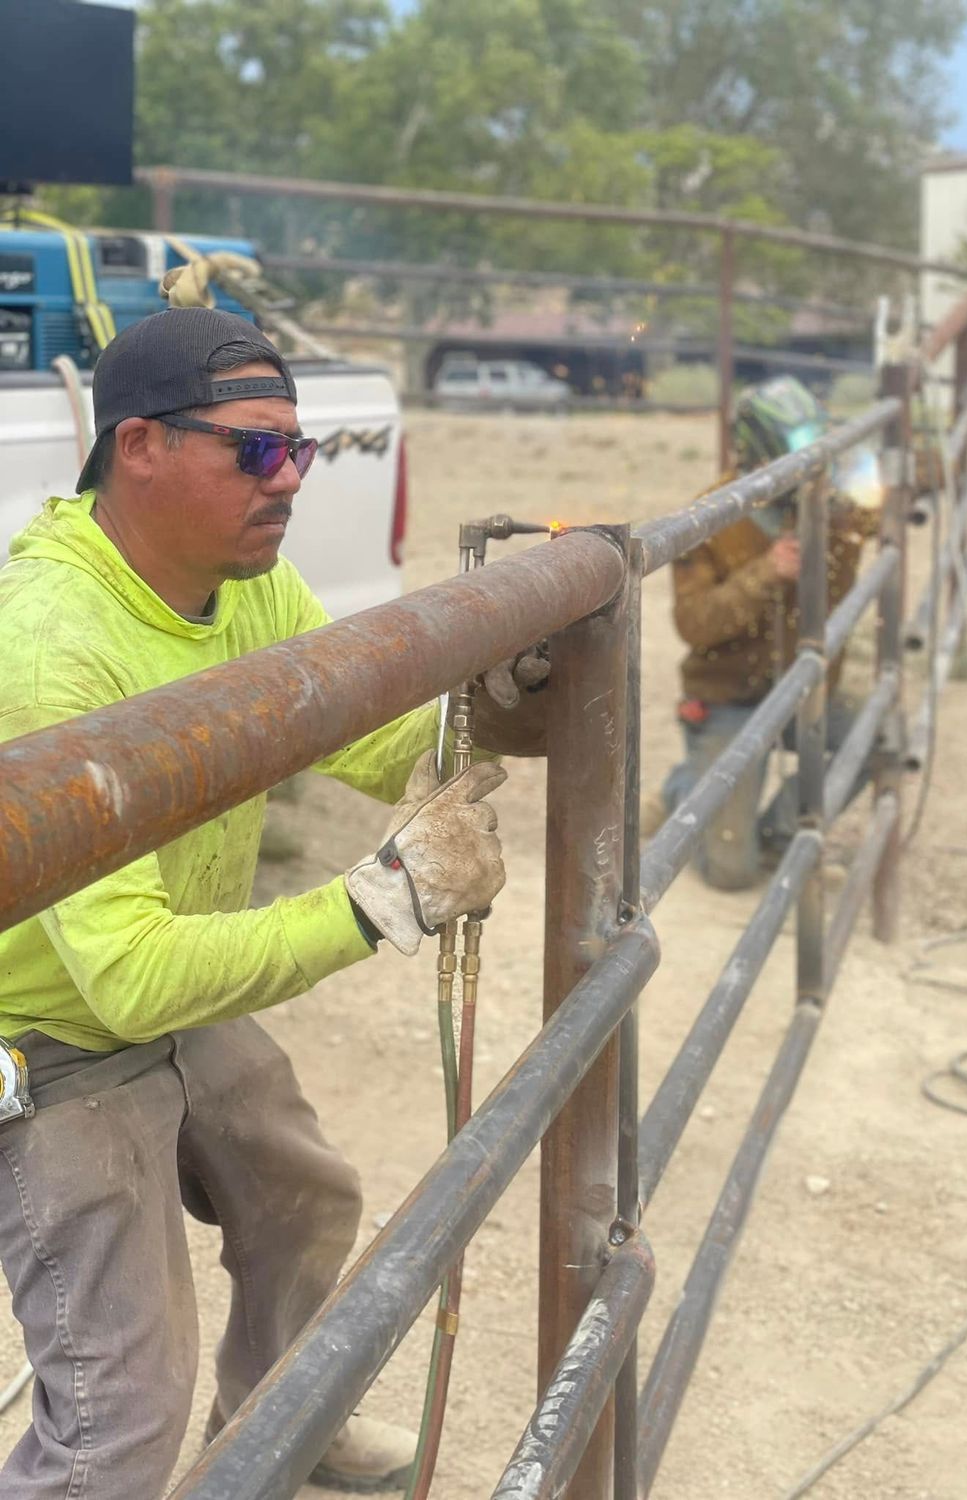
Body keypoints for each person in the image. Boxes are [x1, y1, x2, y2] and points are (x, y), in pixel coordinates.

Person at [0, 307, 545, 1498]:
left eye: (300, 447)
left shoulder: (235, 581)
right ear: (139, 447)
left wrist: (495, 702)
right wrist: (379, 904)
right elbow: (126, 976)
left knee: (303, 1202)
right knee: (115, 1419)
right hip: (56, 1042)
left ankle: (272, 1434)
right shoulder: (52, 648)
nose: (290, 476)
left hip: (164, 993)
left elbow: (360, 733)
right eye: (256, 449)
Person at [664, 377, 882, 890]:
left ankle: (783, 834)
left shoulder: (838, 498)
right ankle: (683, 790)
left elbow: (895, 497)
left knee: (883, 735)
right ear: (765, 457)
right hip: (730, 699)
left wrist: (876, 460)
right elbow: (692, 625)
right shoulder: (712, 515)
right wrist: (765, 573)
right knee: (730, 872)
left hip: (808, 688)